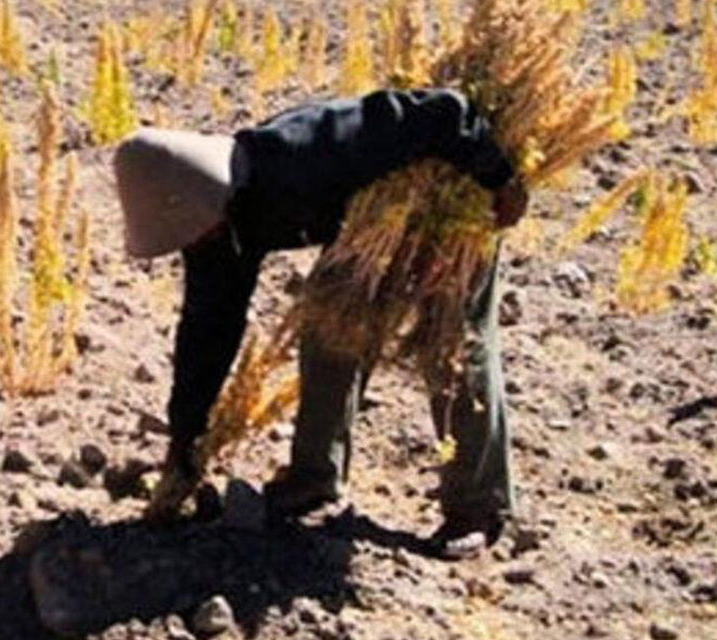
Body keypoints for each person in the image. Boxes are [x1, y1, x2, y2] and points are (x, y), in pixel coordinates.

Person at [112, 88, 530, 559]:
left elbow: (444, 112)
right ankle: (316, 476)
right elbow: (207, 334)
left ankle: (477, 506)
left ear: (200, 198)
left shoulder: (306, 151)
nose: (191, 243)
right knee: (329, 326)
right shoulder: (219, 230)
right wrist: (186, 447)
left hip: (455, 198)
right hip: (367, 226)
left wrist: (500, 179)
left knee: (451, 347)